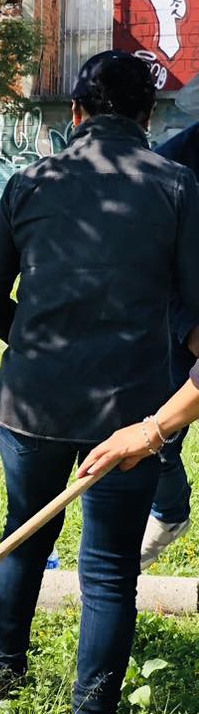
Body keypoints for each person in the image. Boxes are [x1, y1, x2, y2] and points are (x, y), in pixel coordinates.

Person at [0, 50, 199, 714]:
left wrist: (34, 348)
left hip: (30, 404)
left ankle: (1, 681)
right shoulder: (178, 186)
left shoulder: (28, 181)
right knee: (107, 572)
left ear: (75, 113)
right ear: (148, 116)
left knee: (24, 534)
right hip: (131, 411)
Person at [140, 121, 199, 569]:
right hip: (182, 316)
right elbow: (156, 257)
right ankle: (169, 512)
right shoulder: (175, 162)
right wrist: (189, 323)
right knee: (153, 435)